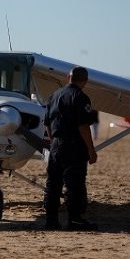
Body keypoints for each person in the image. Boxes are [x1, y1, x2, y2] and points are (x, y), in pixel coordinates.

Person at [43, 66, 98, 231]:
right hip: (74, 145)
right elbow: (83, 126)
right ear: (85, 81)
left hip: (56, 145)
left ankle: (51, 220)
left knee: (53, 183)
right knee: (75, 183)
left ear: (69, 77)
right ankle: (75, 219)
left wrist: (54, 143)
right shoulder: (80, 97)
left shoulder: (54, 95)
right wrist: (91, 149)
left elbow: (47, 124)